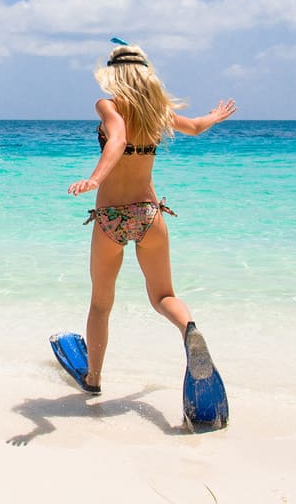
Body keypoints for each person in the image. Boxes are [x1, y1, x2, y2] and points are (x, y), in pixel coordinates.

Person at [65, 43, 236, 394]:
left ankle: (94, 378)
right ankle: (189, 329)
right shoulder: (157, 110)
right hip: (148, 214)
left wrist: (96, 179)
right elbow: (196, 126)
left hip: (111, 218)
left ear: (113, 75)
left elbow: (117, 138)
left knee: (100, 303)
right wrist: (214, 117)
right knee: (163, 296)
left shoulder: (107, 105)